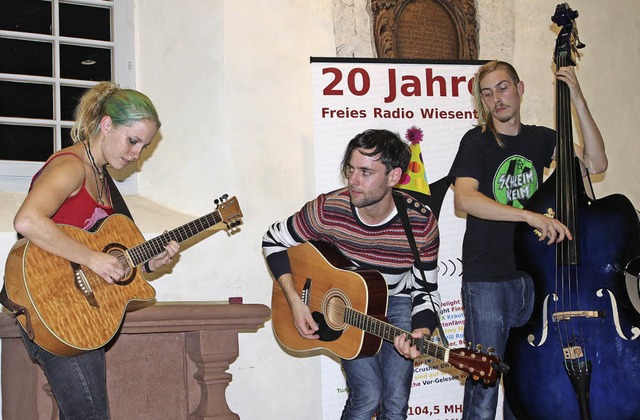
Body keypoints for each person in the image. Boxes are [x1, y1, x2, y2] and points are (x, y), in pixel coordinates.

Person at [447, 60, 607, 419]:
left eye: (502, 88)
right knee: (483, 385)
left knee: (527, 383)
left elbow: (596, 163)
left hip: (535, 276)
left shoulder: (541, 139)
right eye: (487, 93)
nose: (496, 99)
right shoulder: (477, 141)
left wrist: (577, 98)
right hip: (488, 278)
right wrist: (527, 214)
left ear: (519, 89)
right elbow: (464, 198)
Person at [9, 82, 179, 419]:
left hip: (83, 309)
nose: (136, 155)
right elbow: (27, 220)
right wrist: (92, 259)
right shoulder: (71, 167)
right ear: (105, 124)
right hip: (53, 305)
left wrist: (149, 264)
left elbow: (103, 254)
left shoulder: (102, 178)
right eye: (132, 141)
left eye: (143, 147)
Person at [262, 129, 441, 419]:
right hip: (346, 303)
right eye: (350, 169)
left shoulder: (419, 222)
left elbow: (426, 290)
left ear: (393, 177)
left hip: (397, 301)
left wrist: (421, 331)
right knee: (368, 396)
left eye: (366, 172)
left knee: (395, 404)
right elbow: (273, 240)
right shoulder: (329, 209)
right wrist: (295, 301)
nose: (353, 181)